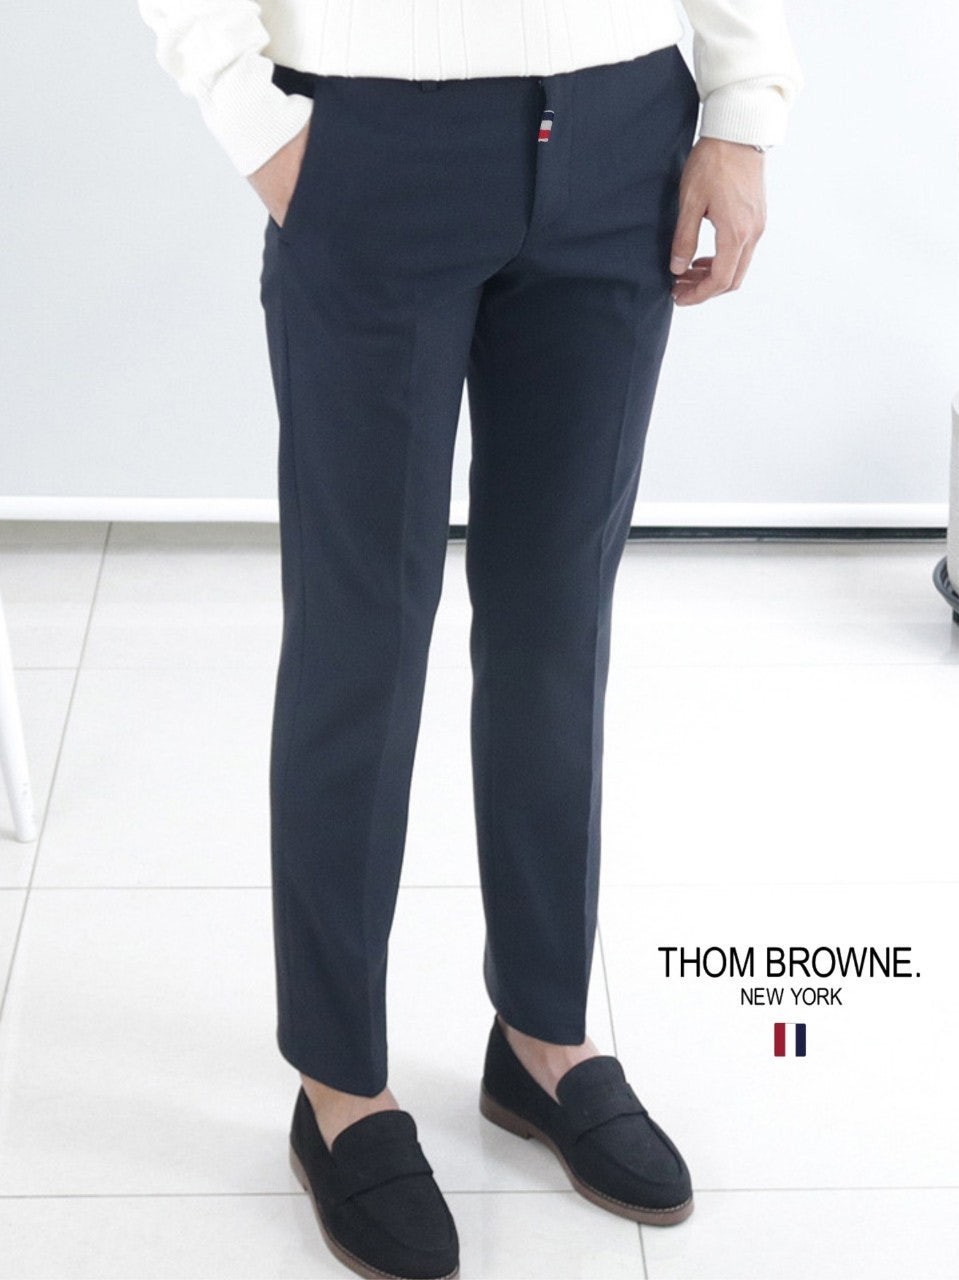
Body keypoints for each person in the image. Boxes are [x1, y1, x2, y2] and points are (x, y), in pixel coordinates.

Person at [137, 4, 803, 1277]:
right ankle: (339, 1083)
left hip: (622, 126)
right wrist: (252, 118)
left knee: (557, 619)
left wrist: (740, 109)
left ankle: (542, 1036)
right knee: (360, 636)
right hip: (368, 134)